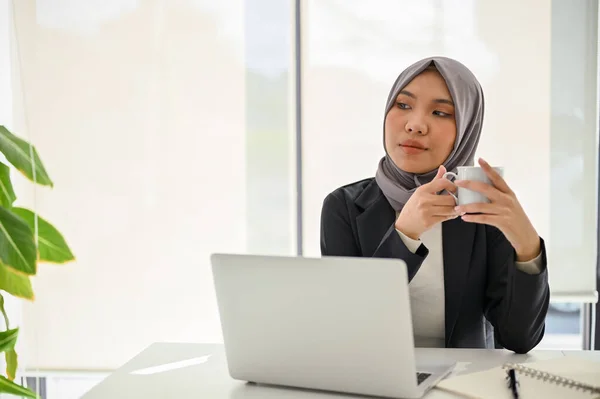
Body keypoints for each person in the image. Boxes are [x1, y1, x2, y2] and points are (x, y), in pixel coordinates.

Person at [320, 56, 549, 354]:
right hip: (376, 378)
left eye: (441, 112)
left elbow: (519, 339)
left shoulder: (481, 206)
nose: (415, 125)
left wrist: (527, 244)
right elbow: (349, 327)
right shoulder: (344, 207)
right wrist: (405, 233)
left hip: (466, 383)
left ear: (467, 127)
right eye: (403, 105)